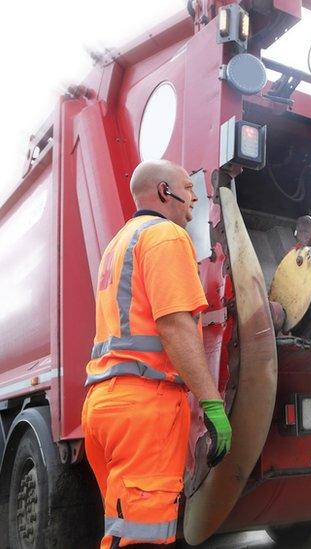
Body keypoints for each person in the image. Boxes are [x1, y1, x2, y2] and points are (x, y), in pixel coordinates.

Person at [81, 159, 232, 548]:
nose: (196, 195)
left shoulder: (120, 242)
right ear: (165, 191)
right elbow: (175, 325)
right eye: (188, 186)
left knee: (124, 530)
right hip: (145, 408)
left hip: (108, 405)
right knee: (144, 539)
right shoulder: (166, 236)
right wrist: (212, 405)